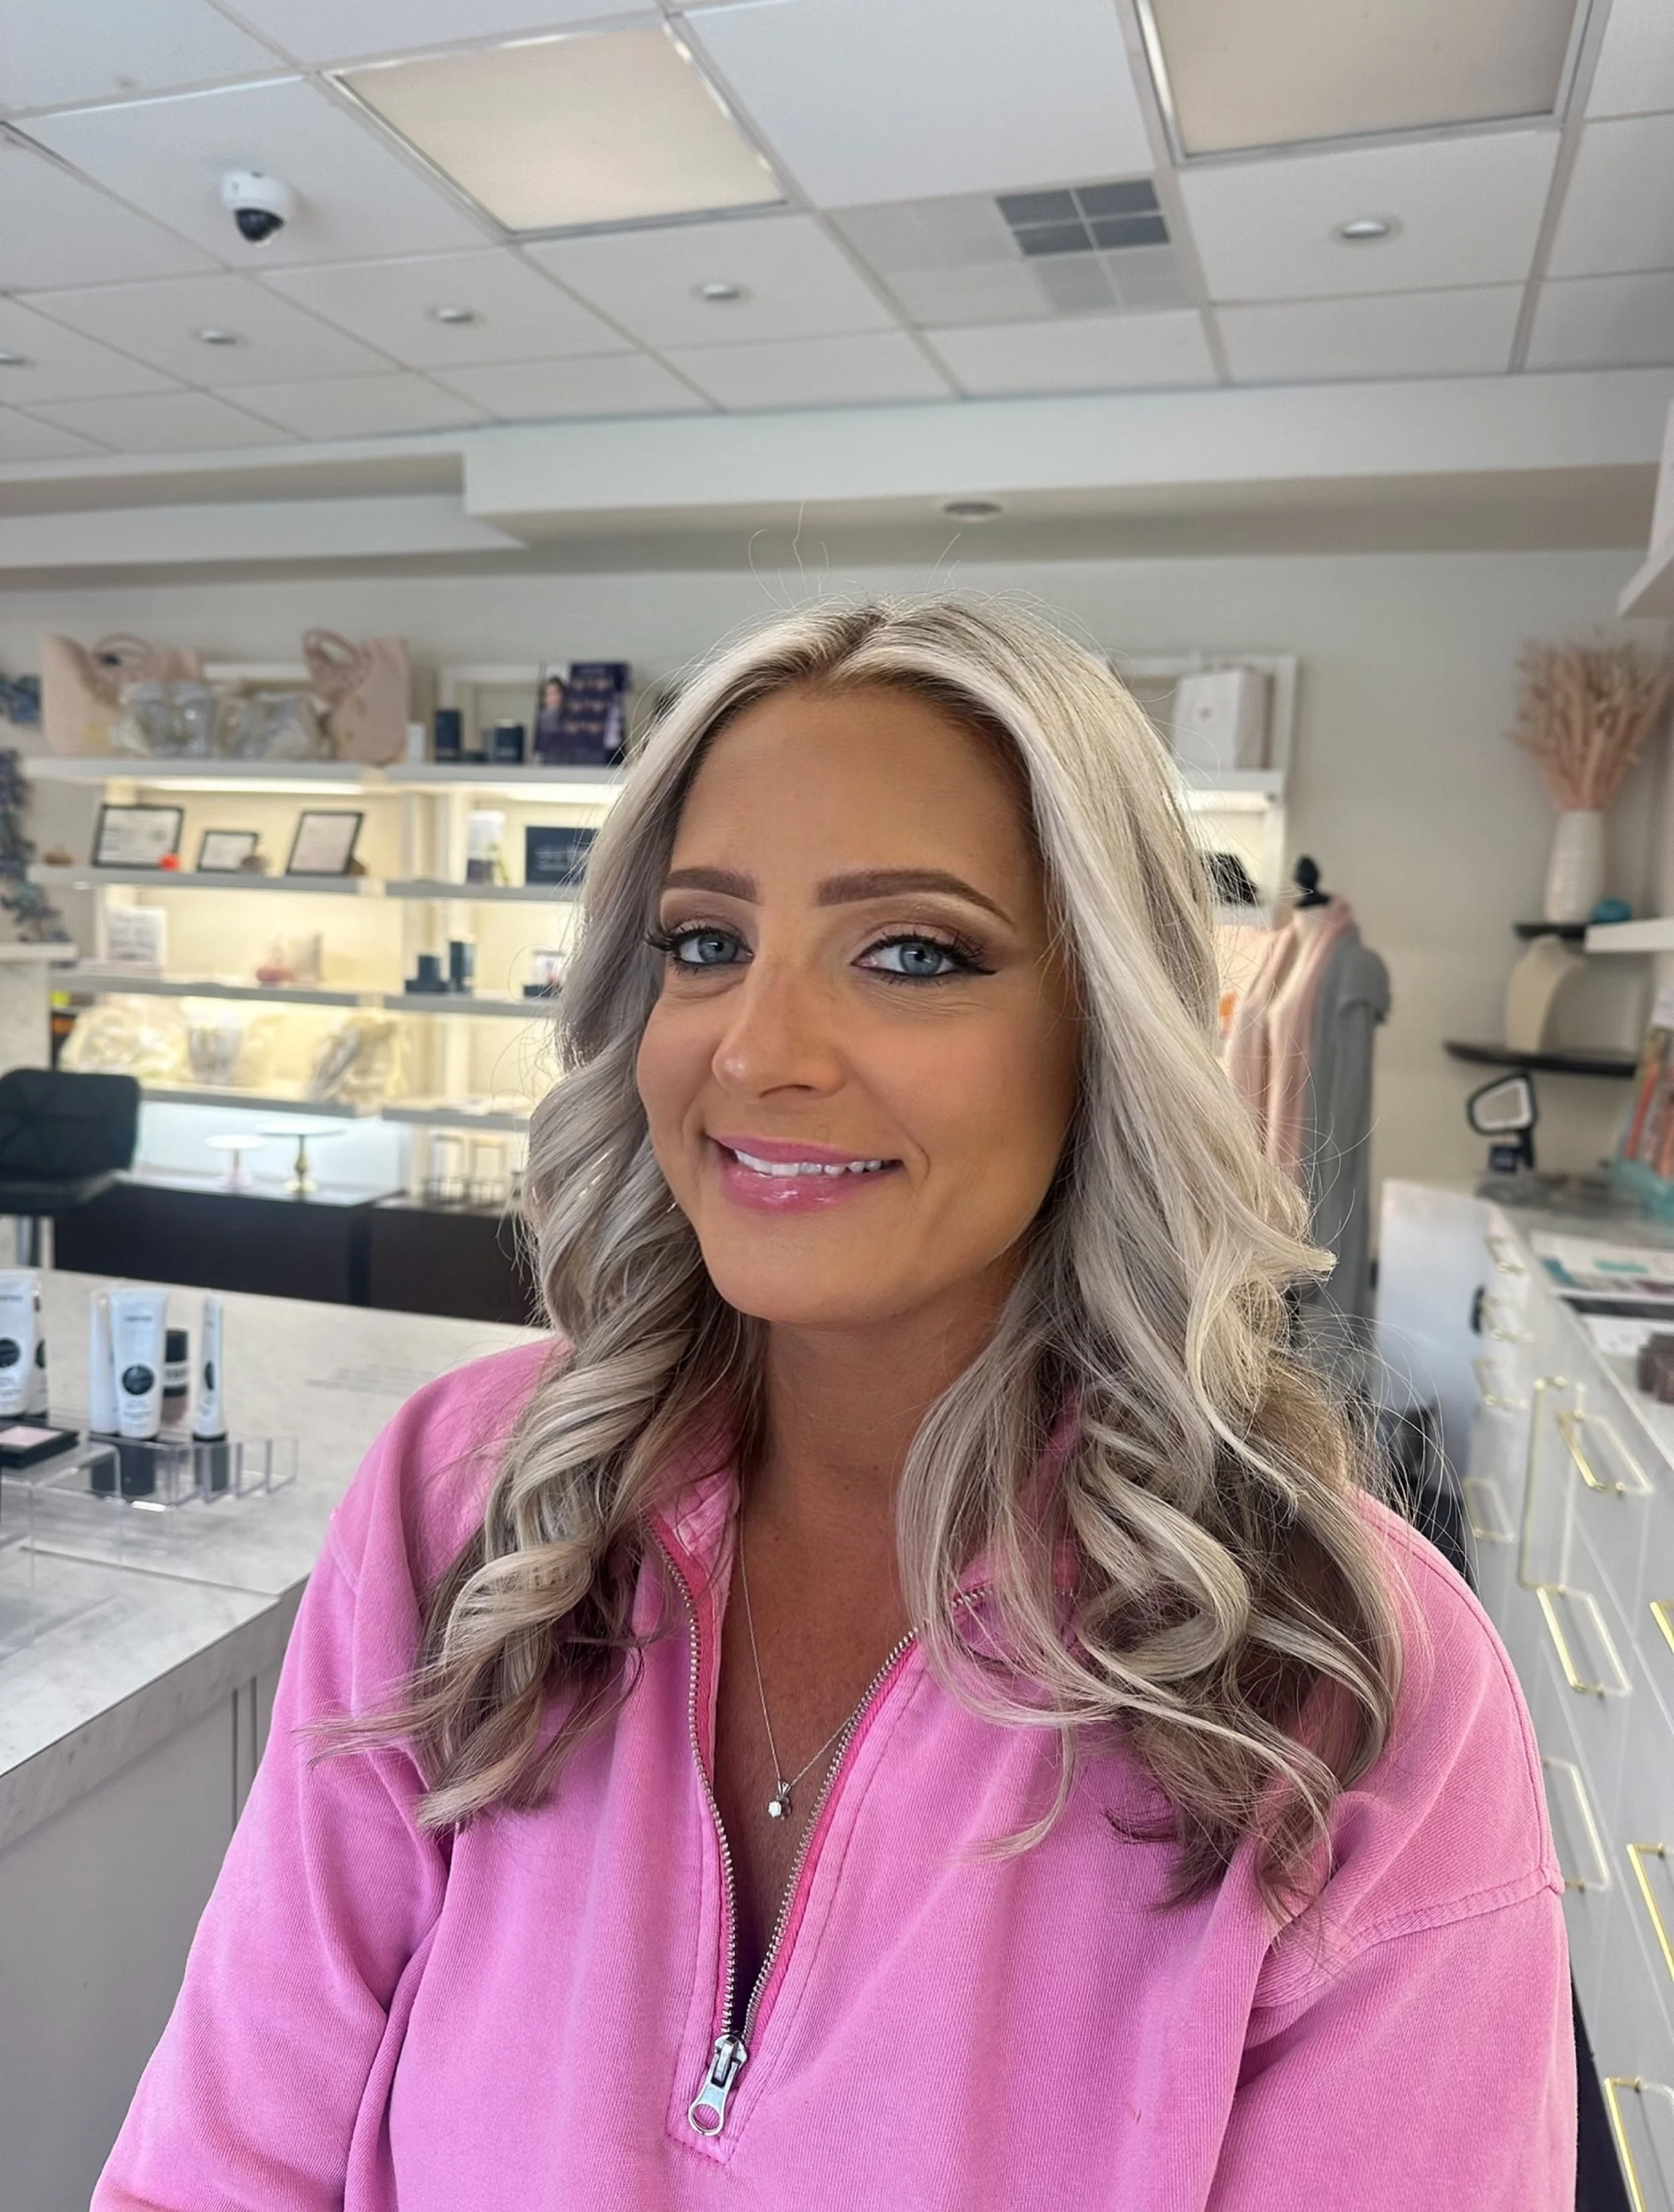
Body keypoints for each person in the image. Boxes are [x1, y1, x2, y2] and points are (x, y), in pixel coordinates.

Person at [96, 597, 1574, 2211]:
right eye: (705, 942)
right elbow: (219, 2159)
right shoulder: (468, 1504)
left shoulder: (1346, 1695)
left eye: (911, 952)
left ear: (1110, 1031)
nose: (758, 1047)